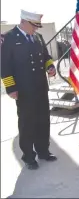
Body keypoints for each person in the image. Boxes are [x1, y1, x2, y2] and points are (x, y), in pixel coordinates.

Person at [1, 9, 58, 170]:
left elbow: (46, 57)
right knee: (27, 123)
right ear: (24, 22)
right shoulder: (9, 38)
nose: (36, 29)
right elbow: (4, 66)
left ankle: (43, 151)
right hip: (24, 90)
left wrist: (50, 67)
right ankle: (28, 156)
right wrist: (11, 88)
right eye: (34, 26)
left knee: (43, 120)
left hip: (40, 87)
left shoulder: (38, 38)